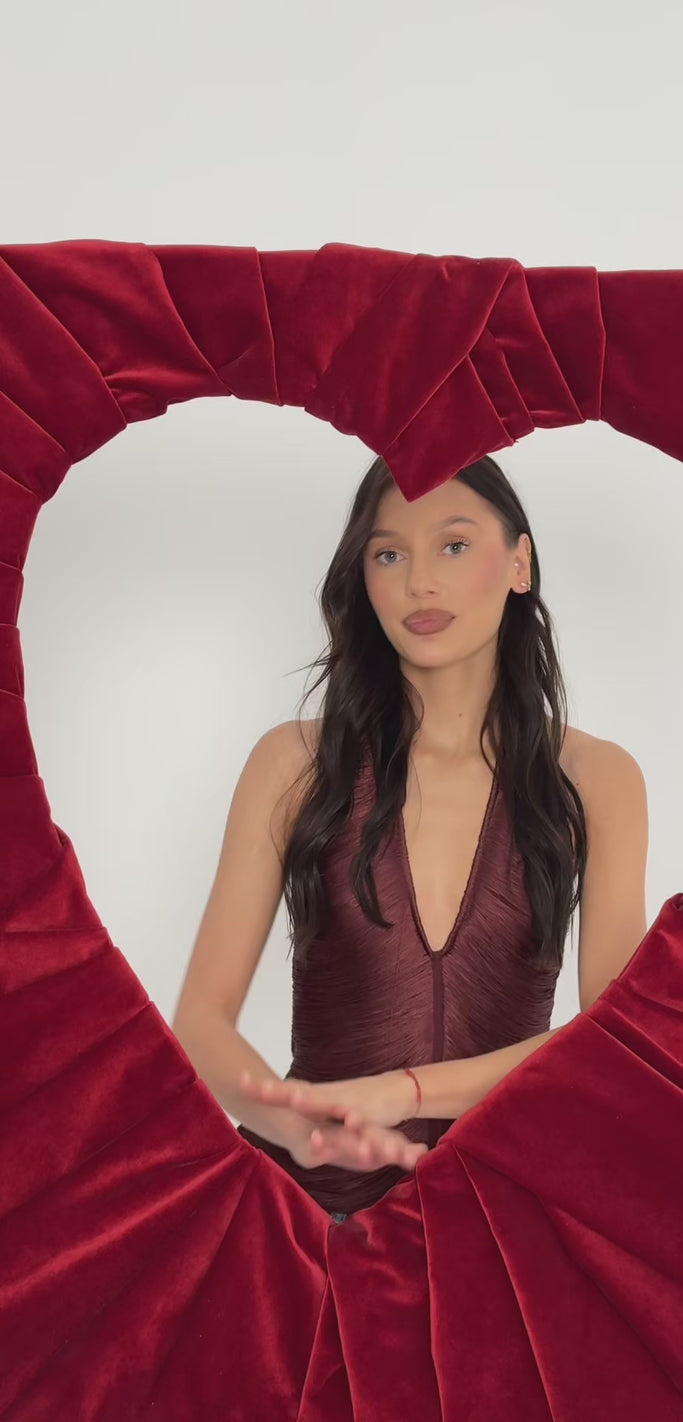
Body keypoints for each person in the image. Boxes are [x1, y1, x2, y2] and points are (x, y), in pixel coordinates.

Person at [171, 452, 639, 1221]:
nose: (421, 581)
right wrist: (297, 1128)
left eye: (453, 545)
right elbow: (200, 1022)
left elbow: (614, 1035)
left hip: (509, 1222)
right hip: (308, 1221)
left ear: (519, 563)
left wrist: (407, 1093)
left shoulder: (597, 779)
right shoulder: (293, 764)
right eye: (389, 554)